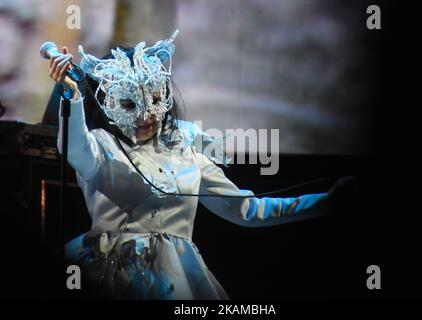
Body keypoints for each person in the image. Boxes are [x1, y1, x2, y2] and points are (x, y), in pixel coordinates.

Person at [48, 30, 330, 299]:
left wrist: (327, 201)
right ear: (111, 104)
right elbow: (74, 148)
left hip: (177, 277)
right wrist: (72, 96)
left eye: (156, 99)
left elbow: (246, 210)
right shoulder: (101, 145)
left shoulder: (188, 152)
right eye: (131, 104)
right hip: (108, 274)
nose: (147, 114)